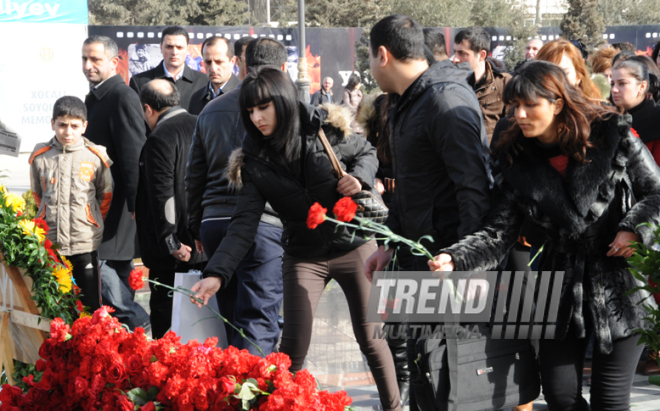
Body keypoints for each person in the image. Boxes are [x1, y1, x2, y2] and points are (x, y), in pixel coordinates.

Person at [430, 60, 660, 411]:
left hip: (620, 285)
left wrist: (634, 229)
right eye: (514, 106)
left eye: (530, 105)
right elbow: (498, 232)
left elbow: (657, 193)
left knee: (610, 402)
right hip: (561, 287)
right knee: (559, 394)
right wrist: (456, 257)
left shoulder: (612, 133)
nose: (519, 114)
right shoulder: (514, 158)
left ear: (557, 103)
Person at [190, 66, 400, 410]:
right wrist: (216, 273)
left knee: (371, 338)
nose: (257, 118)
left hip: (355, 244)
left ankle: (394, 407)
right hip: (304, 254)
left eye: (264, 107)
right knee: (293, 347)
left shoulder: (322, 128)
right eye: (250, 111)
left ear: (283, 102)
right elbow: (244, 223)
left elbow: (366, 152)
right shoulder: (254, 159)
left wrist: (358, 178)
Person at [364, 15, 492, 410]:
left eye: (369, 58)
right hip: (419, 260)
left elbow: (475, 187)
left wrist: (467, 265)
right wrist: (389, 242)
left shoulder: (442, 99)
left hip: (448, 268)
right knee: (422, 375)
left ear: (383, 54)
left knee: (447, 385)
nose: (369, 69)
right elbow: (412, 185)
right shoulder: (407, 100)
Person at [185, 38, 285, 355]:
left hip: (214, 222)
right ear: (283, 69)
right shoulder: (281, 110)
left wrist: (195, 225)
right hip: (262, 224)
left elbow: (193, 176)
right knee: (257, 319)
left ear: (240, 65)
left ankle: (233, 388)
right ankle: (250, 396)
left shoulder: (210, 111)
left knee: (229, 320)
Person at [82, 36, 151, 331]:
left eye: (95, 59)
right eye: (85, 58)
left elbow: (134, 153)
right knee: (108, 270)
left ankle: (136, 323)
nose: (88, 65)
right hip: (98, 203)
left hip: (121, 205)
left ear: (113, 62)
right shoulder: (93, 97)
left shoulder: (122, 96)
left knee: (107, 265)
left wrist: (136, 202)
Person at [29, 96, 113, 312]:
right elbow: (39, 195)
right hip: (51, 242)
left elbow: (104, 197)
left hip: (83, 241)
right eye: (62, 125)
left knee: (90, 305)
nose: (68, 132)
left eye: (75, 126)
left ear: (84, 126)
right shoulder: (41, 157)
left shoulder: (95, 157)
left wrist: (90, 219)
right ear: (53, 124)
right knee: (54, 305)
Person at [135, 80, 198, 339]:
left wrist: (171, 242)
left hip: (174, 253)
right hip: (204, 241)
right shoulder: (201, 124)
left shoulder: (159, 138)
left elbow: (163, 196)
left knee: (168, 325)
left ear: (147, 109)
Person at [453, 26, 511, 142]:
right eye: (455, 52)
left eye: (462, 53)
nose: (455, 59)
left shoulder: (504, 83)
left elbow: (512, 130)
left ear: (482, 55)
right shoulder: (450, 85)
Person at [129, 26, 207, 112]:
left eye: (179, 47)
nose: (174, 52)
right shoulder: (139, 82)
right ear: (161, 47)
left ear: (187, 49)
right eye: (169, 47)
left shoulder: (204, 82)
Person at [611, 58, 660, 164]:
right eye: (612, 84)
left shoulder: (656, 121)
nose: (614, 89)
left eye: (622, 83)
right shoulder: (608, 119)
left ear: (642, 86)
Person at [535, 39, 602, 100]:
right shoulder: (527, 111)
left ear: (578, 76)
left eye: (564, 73)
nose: (556, 80)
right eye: (548, 74)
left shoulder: (597, 112)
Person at [188, 37, 239, 115]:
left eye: (219, 62)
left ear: (232, 61)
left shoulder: (246, 95)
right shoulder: (196, 98)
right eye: (208, 62)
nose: (213, 68)